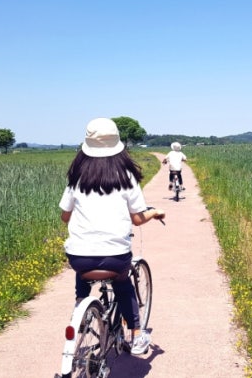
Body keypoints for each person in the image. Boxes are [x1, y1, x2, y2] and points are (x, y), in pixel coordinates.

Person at [59, 117, 165, 355]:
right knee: (122, 283)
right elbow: (138, 218)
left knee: (83, 265)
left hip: (79, 257)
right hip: (115, 257)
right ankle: (137, 335)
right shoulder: (125, 176)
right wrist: (154, 212)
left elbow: (65, 217)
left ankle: (80, 308)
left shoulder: (76, 178)